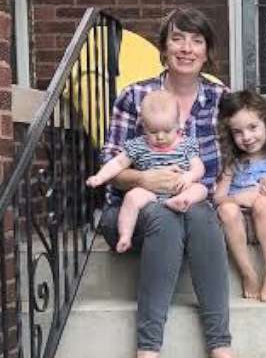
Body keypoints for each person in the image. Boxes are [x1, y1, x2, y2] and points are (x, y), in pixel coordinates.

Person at [98, 6, 248, 358]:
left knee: (201, 215)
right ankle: (149, 350)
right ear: (163, 47)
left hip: (194, 205)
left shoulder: (220, 98)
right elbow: (110, 168)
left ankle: (220, 346)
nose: (186, 48)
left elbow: (246, 147)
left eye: (197, 40)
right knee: (166, 220)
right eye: (177, 38)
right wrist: (146, 179)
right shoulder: (134, 95)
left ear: (207, 51)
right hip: (131, 211)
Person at [87, 89, 207, 252]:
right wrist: (99, 177)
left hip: (179, 189)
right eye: (153, 131)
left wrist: (189, 176)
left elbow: (199, 166)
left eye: (167, 131)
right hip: (149, 193)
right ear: (143, 126)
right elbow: (117, 163)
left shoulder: (186, 144)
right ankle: (125, 236)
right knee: (131, 197)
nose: (160, 137)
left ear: (177, 124)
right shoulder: (138, 146)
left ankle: (181, 201)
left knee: (200, 189)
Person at [215, 89, 266, 303]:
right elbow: (218, 199)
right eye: (238, 132)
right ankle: (248, 273)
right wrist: (241, 197)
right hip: (237, 226)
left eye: (253, 127)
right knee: (227, 208)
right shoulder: (232, 162)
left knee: (262, 203)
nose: (247, 137)